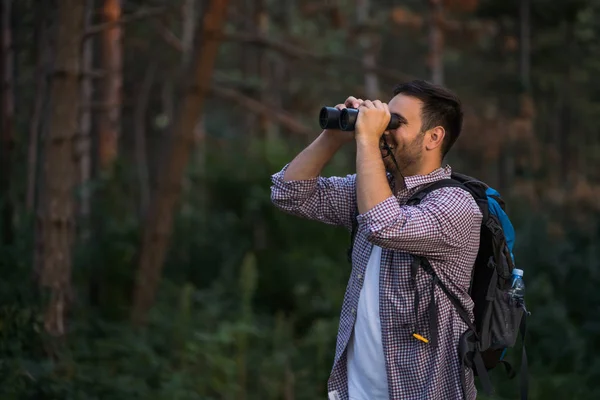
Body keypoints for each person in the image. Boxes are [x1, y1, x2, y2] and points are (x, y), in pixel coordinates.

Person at [270, 79, 482, 400]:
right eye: (383, 117)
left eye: (394, 123)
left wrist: (367, 140)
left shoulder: (455, 204)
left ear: (434, 137)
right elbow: (289, 194)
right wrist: (332, 137)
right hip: (355, 391)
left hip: (421, 392)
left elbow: (384, 226)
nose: (383, 129)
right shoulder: (374, 191)